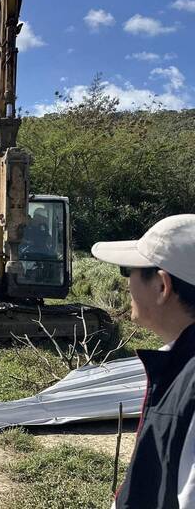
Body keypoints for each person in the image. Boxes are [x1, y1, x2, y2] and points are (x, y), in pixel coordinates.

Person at [91, 214, 195, 509]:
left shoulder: (190, 382)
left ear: (162, 286)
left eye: (128, 270)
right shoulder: (180, 365)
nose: (126, 283)